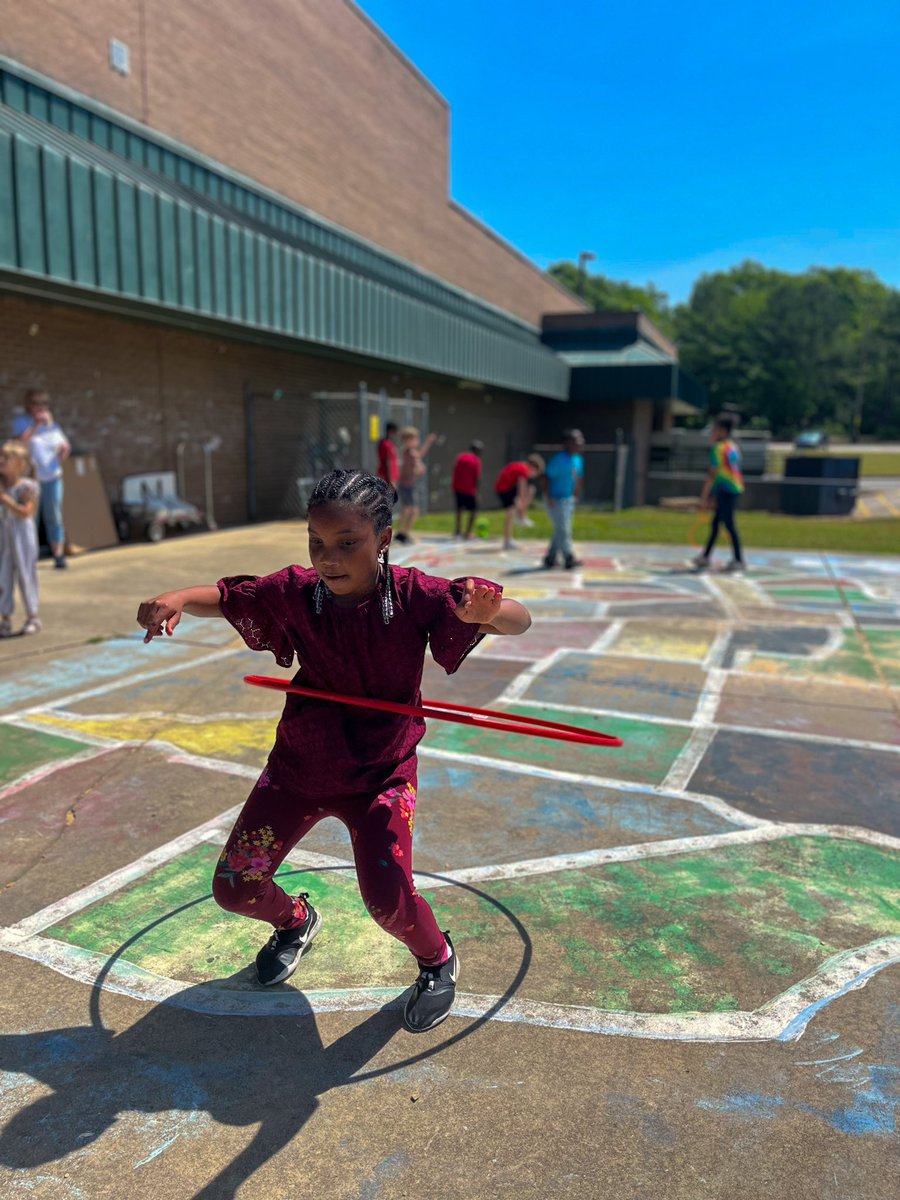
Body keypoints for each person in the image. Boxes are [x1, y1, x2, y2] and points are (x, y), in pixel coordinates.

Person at [136, 469, 532, 1033]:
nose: (330, 557)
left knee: (389, 903)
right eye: (317, 543)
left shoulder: (418, 595)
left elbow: (519, 618)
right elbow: (227, 598)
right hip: (299, 766)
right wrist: (174, 598)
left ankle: (437, 959)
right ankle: (296, 922)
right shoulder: (297, 591)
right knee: (234, 888)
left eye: (349, 543)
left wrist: (488, 613)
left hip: (381, 774)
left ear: (385, 540)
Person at [12, 390, 70, 569]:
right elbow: (18, 445)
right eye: (37, 404)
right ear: (29, 406)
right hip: (31, 478)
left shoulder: (54, 427)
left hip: (53, 477)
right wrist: (36, 425)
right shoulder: (22, 423)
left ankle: (58, 556)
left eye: (44, 405)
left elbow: (63, 450)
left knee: (54, 516)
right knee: (30, 518)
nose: (41, 408)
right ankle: (28, 557)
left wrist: (63, 451)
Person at [694, 415, 745, 573]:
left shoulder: (718, 448)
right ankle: (705, 556)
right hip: (733, 488)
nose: (712, 433)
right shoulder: (732, 446)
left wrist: (704, 497)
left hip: (726, 489)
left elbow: (712, 474)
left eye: (714, 429)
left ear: (722, 431)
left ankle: (738, 560)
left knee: (728, 524)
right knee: (716, 524)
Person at [0, 441, 41, 637]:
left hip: (22, 534)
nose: (1, 461)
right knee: (3, 576)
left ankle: (32, 616)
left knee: (26, 574)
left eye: (6, 458)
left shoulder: (27, 486)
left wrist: (5, 499)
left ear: (20, 464)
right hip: (3, 534)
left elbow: (25, 512)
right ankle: (5, 618)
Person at [542, 429, 585, 569]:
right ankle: (568, 557)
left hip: (568, 499)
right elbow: (546, 478)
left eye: (580, 440)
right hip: (555, 499)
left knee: (560, 529)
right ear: (567, 443)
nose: (580, 443)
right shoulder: (559, 459)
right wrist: (549, 497)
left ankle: (550, 557)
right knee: (564, 529)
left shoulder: (578, 459)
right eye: (576, 440)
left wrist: (575, 495)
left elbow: (578, 478)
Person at [394, 426, 437, 544]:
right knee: (412, 510)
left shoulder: (407, 452)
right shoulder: (411, 453)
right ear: (407, 441)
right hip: (407, 484)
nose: (416, 441)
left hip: (406, 484)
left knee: (407, 510)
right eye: (414, 439)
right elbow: (418, 466)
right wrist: (420, 469)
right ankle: (404, 534)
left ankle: (400, 533)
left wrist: (428, 443)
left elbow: (419, 455)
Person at [495, 453, 545, 551]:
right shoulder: (523, 470)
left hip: (506, 487)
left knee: (528, 493)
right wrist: (522, 504)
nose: (533, 475)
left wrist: (522, 503)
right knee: (510, 513)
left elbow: (520, 487)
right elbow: (522, 488)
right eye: (535, 472)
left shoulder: (521, 467)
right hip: (504, 489)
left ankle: (520, 518)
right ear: (533, 467)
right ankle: (508, 540)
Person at [451, 440, 483, 539]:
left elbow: (455, 470)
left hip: (457, 487)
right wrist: (477, 492)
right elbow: (477, 477)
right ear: (478, 451)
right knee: (473, 510)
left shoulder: (460, 456)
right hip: (469, 489)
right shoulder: (476, 460)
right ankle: (468, 532)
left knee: (459, 509)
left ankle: (458, 530)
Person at [376, 422, 399, 488]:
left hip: (388, 477)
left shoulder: (388, 443)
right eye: (395, 432)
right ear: (391, 431)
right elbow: (389, 462)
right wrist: (391, 480)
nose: (396, 434)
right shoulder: (387, 445)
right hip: (387, 478)